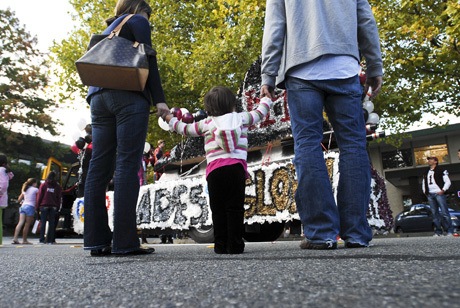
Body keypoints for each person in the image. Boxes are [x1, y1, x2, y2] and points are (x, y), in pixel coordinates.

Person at [260, 0, 383, 249]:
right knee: (354, 145)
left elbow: (275, 26)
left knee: (307, 145)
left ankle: (321, 233)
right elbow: (365, 21)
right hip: (345, 68)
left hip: (301, 69)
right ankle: (357, 232)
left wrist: (268, 74)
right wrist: (374, 64)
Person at [83, 0, 169, 256]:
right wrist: (159, 99)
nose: (149, 19)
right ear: (138, 8)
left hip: (98, 97)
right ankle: (124, 242)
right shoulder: (138, 21)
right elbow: (148, 58)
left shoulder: (108, 29)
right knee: (127, 165)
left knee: (98, 167)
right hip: (129, 94)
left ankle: (96, 241)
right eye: (148, 13)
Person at [163, 86, 273, 254]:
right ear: (232, 104)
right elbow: (260, 113)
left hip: (215, 171)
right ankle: (235, 244)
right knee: (235, 208)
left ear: (209, 108)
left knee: (218, 208)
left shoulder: (206, 123)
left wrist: (169, 118)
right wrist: (266, 98)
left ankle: (220, 244)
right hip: (236, 169)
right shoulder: (242, 118)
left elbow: (185, 129)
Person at [422, 156, 453, 236]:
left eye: (431, 159)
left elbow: (447, 181)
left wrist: (443, 190)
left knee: (444, 212)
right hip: (430, 195)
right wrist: (425, 192)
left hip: (439, 193)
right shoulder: (426, 172)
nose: (429, 161)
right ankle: (438, 232)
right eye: (428, 160)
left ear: (435, 161)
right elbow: (423, 182)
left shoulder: (441, 170)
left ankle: (450, 231)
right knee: (434, 213)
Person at [36, 171, 62, 244]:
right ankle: (50, 240)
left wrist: (37, 206)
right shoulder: (57, 186)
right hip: (53, 206)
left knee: (43, 223)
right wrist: (58, 207)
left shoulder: (43, 185)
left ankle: (42, 239)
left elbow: (40, 196)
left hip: (44, 205)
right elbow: (59, 198)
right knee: (52, 224)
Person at [12, 178, 39, 245]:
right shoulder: (35, 189)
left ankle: (15, 238)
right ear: (34, 183)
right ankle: (24, 240)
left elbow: (19, 199)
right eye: (36, 183)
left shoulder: (25, 189)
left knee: (20, 222)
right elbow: (39, 198)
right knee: (27, 224)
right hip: (30, 207)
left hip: (23, 206)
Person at [0, 154, 14, 246]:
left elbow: (4, 184)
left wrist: (0, 191)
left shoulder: (1, 170)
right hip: (2, 198)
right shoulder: (5, 171)